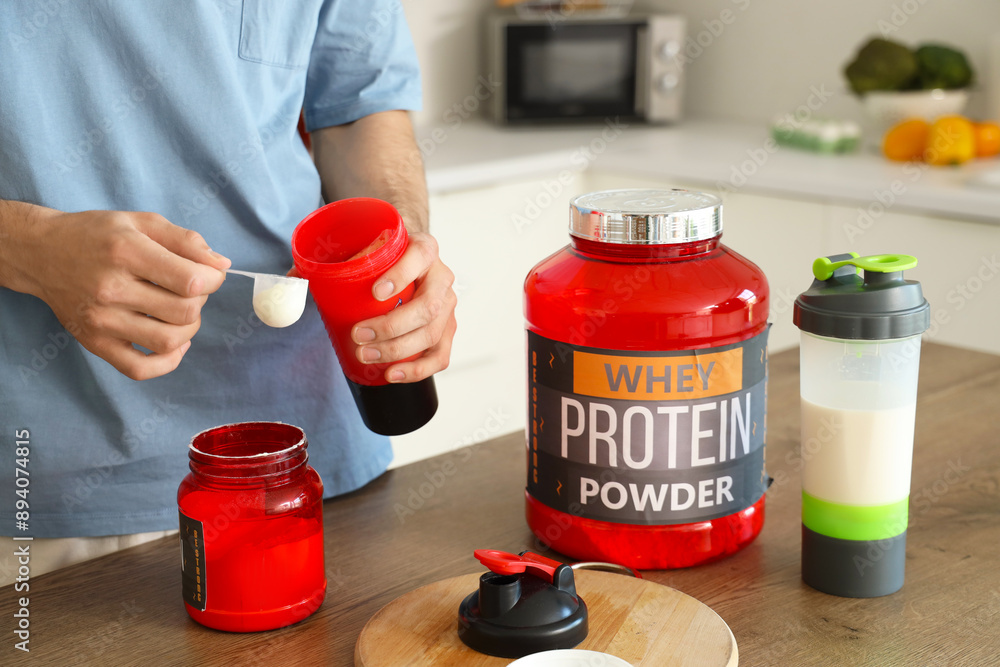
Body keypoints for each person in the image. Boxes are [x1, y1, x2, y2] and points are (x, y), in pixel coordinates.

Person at [0, 1, 456, 584]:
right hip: (49, 479)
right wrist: (27, 245)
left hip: (309, 454)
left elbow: (357, 106)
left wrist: (397, 249)